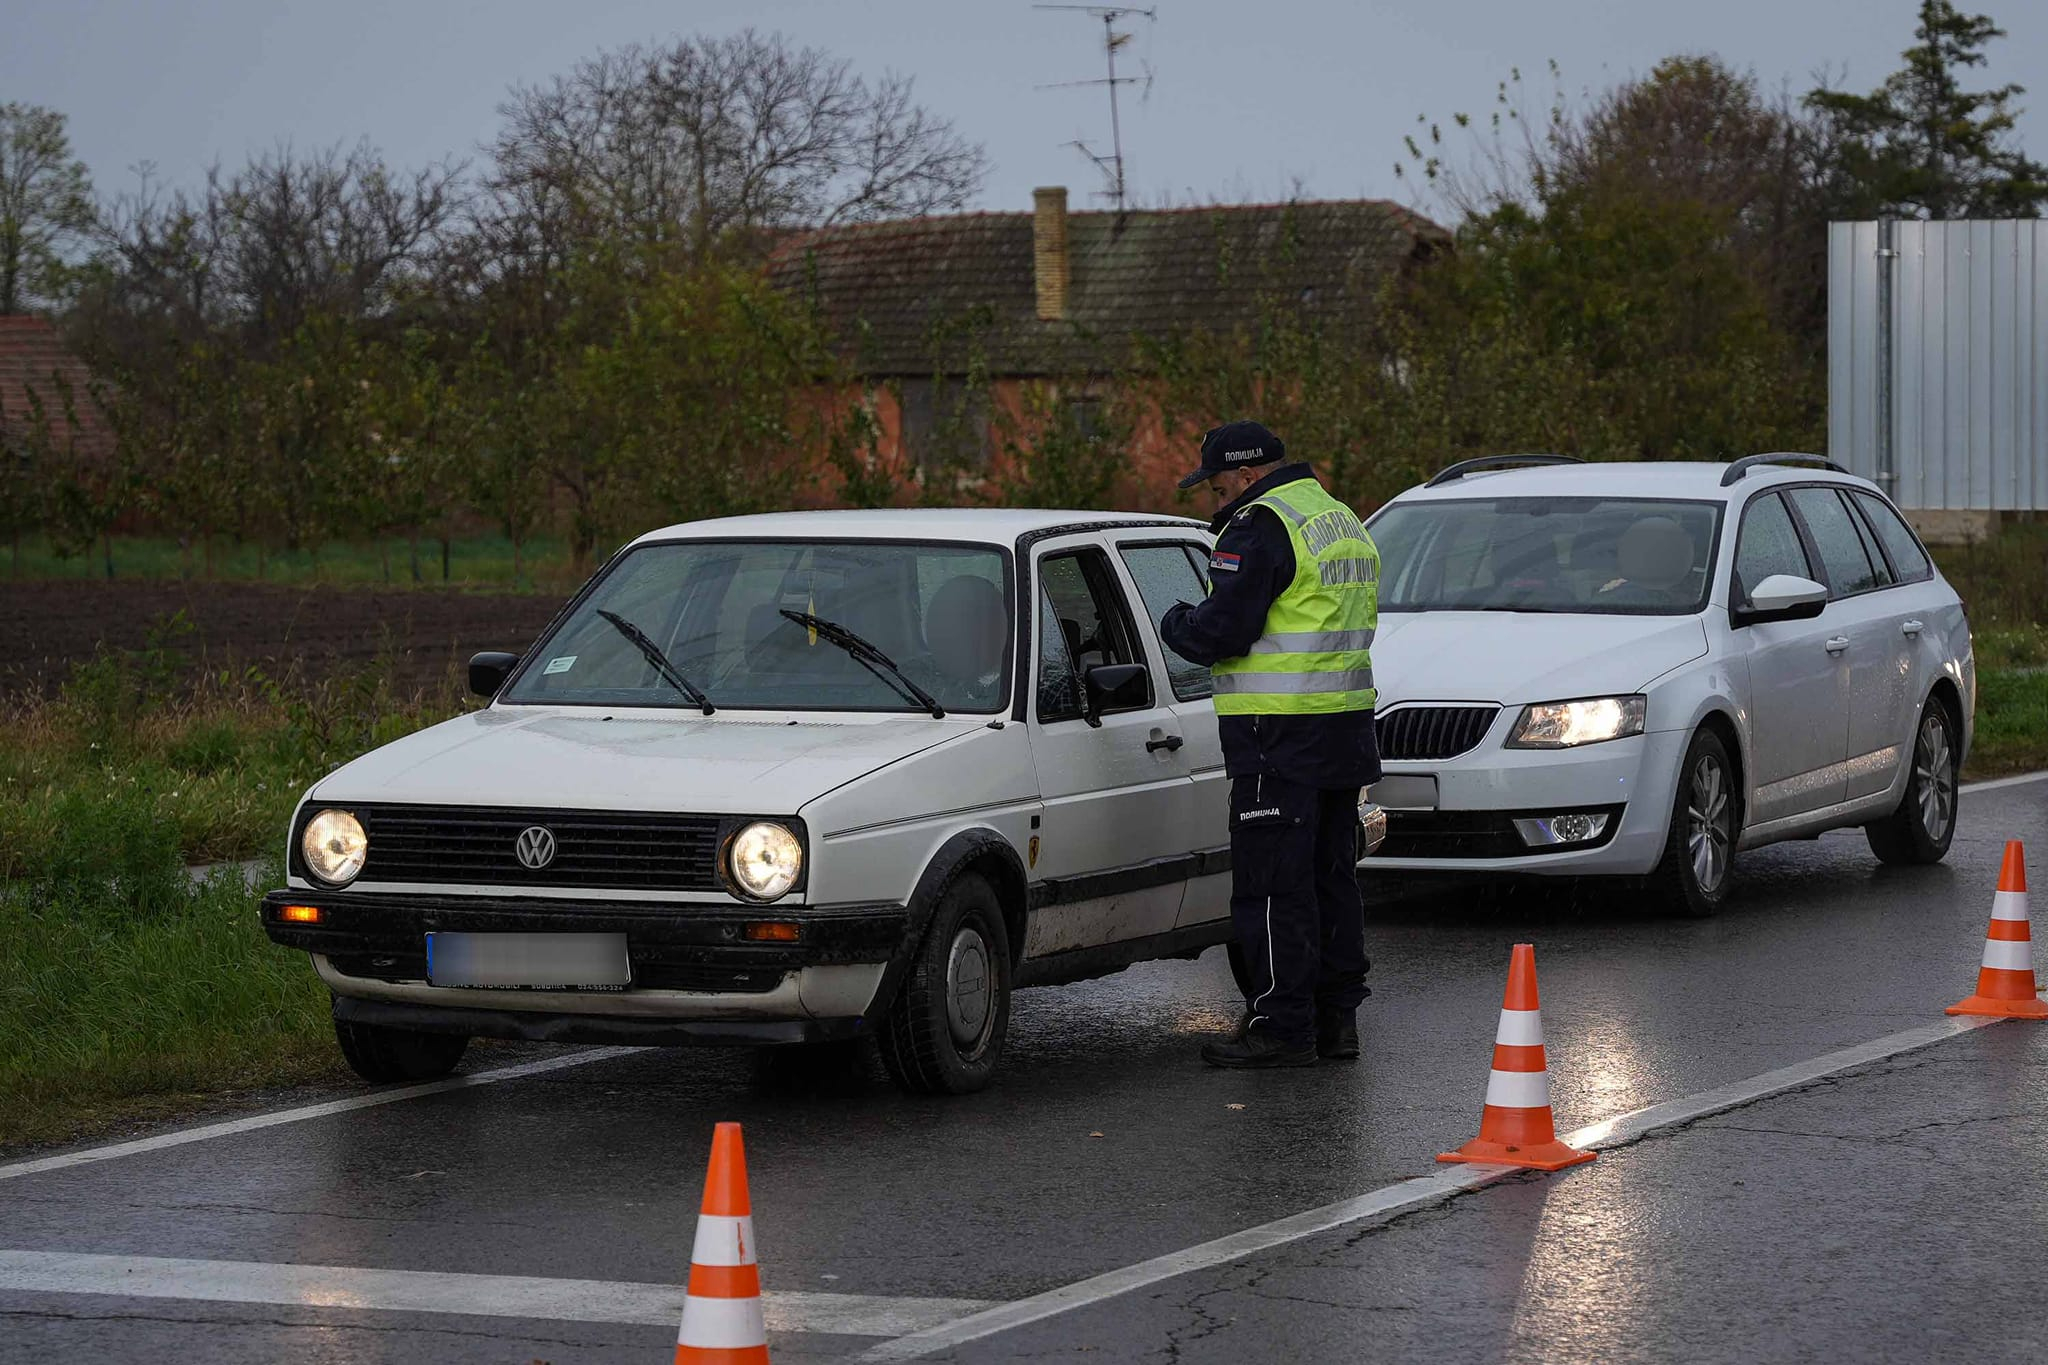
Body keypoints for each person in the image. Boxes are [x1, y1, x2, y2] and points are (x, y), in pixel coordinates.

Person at [1160, 421, 1383, 1069]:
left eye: (1218, 483)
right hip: (1344, 728)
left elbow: (1222, 631)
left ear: (1248, 475)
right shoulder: (1338, 516)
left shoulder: (1259, 525)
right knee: (1330, 877)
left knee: (1271, 885)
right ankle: (1336, 1020)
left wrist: (1175, 621)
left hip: (1277, 734)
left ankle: (1281, 1024)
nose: (1214, 498)